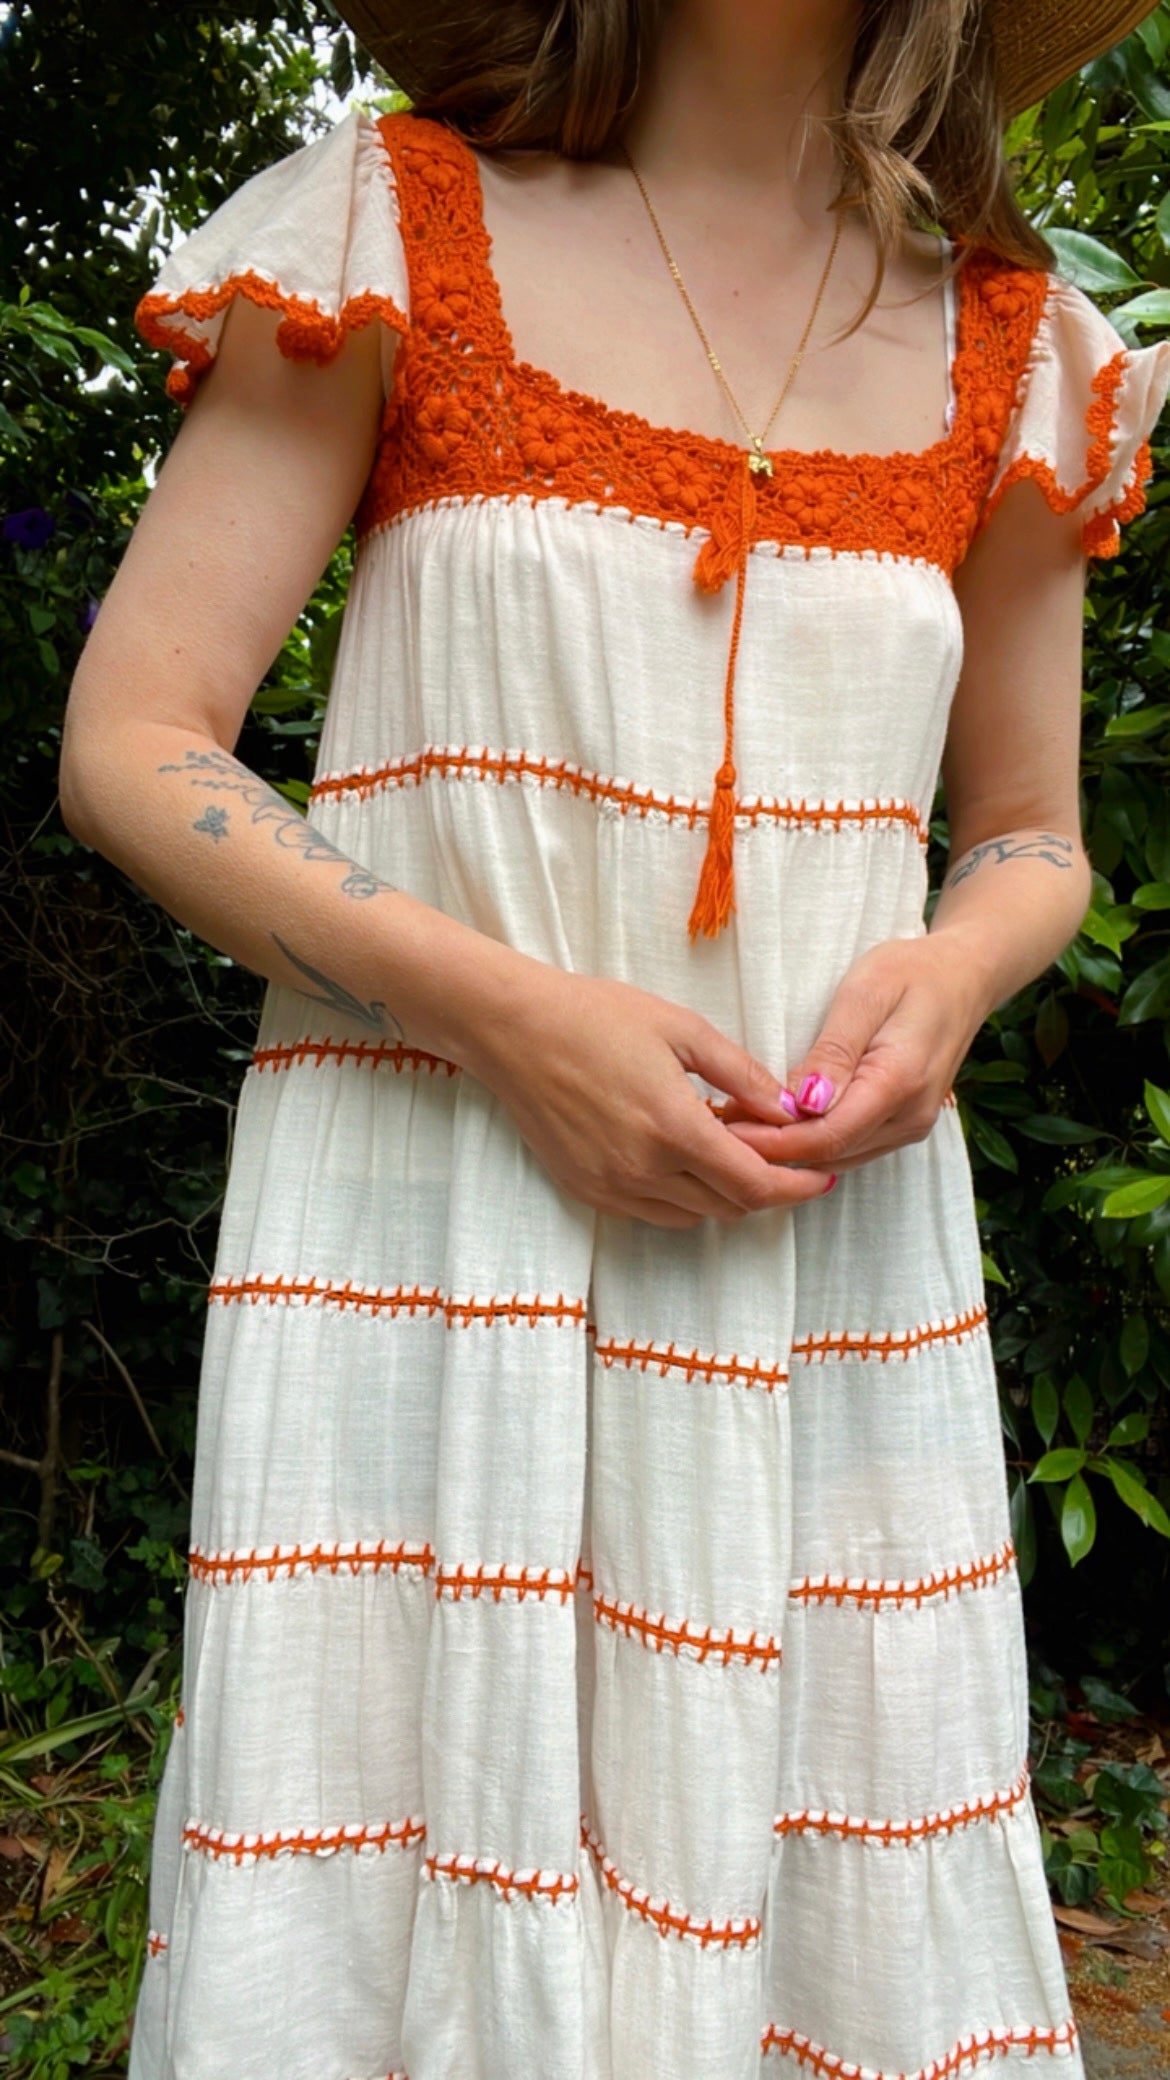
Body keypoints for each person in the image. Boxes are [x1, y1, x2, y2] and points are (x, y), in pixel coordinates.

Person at [60, 1, 1170, 2074]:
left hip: (819, 1284)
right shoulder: (396, 228)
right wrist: (511, 1018)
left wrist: (957, 975)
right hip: (426, 1251)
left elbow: (1031, 833)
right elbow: (136, 741)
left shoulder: (1015, 350)